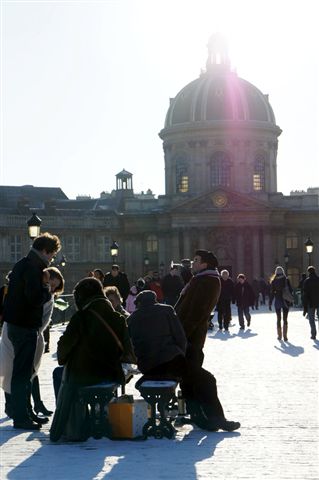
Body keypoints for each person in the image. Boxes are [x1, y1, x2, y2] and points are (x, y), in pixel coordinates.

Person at [130, 289, 240, 432]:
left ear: (138, 303)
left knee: (190, 377)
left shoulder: (132, 318)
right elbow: (180, 337)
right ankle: (216, 418)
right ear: (155, 300)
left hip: (148, 367)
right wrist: (179, 354)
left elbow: (131, 346)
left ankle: (198, 416)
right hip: (171, 361)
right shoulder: (166, 311)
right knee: (207, 379)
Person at [50, 277, 132, 442]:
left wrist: (66, 356)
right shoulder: (118, 318)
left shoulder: (81, 317)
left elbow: (63, 351)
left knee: (59, 373)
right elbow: (128, 351)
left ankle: (73, 423)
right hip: (111, 374)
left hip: (84, 375)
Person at [175, 249, 240, 431]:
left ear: (205, 264)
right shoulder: (200, 279)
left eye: (196, 260)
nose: (192, 263)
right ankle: (201, 416)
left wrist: (181, 335)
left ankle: (214, 417)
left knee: (202, 379)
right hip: (186, 338)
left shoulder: (208, 281)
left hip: (190, 339)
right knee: (191, 379)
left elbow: (197, 312)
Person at [2, 232, 61, 430]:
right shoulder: (35, 269)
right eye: (52, 255)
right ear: (45, 251)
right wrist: (46, 289)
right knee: (22, 374)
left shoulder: (22, 264)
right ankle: (21, 417)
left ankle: (26, 412)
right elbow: (35, 298)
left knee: (23, 372)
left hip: (16, 324)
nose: (51, 259)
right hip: (25, 326)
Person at [269, 266, 293, 341]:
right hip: (285, 300)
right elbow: (291, 290)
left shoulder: (274, 281)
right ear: (282, 272)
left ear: (276, 272)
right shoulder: (286, 280)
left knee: (278, 318)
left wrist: (270, 302)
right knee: (285, 319)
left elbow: (272, 293)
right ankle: (285, 336)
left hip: (278, 300)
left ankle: (279, 335)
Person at [303, 266, 319, 340]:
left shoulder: (307, 281)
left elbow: (305, 294)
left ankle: (313, 334)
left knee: (311, 320)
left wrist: (305, 307)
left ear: (308, 272)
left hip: (310, 303)